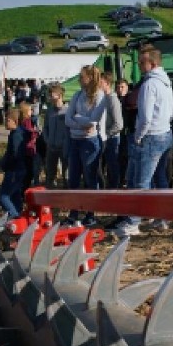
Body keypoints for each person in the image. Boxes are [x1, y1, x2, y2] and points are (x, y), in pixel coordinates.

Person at [113, 44, 173, 237]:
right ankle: (162, 217)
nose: (139, 65)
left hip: (150, 136)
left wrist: (138, 136)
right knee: (160, 179)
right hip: (165, 133)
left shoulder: (149, 85)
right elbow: (171, 113)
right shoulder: (166, 83)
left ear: (152, 63)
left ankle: (133, 222)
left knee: (141, 180)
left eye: (142, 62)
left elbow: (145, 117)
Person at [63, 65, 106, 227]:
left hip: (90, 141)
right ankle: (73, 213)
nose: (80, 80)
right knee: (73, 178)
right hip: (75, 140)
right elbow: (68, 120)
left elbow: (93, 122)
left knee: (90, 178)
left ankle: (91, 213)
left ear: (90, 78)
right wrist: (82, 122)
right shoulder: (77, 95)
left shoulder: (99, 96)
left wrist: (78, 119)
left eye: (82, 77)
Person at [0, 108, 29, 218]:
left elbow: (16, 154)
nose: (5, 123)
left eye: (7, 120)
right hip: (18, 169)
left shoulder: (17, 135)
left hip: (14, 170)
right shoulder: (17, 132)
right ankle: (20, 215)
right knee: (15, 195)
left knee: (4, 197)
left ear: (15, 122)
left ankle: (15, 216)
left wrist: (5, 164)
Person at [100, 71, 124, 189]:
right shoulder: (103, 98)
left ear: (107, 83)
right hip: (104, 137)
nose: (99, 84)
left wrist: (106, 134)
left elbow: (118, 124)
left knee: (112, 166)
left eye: (101, 82)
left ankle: (114, 188)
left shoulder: (113, 100)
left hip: (112, 138)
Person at [43, 83, 69, 189]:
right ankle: (50, 197)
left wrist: (65, 142)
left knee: (66, 175)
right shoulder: (49, 111)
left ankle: (67, 198)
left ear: (59, 95)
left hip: (64, 147)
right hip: (51, 147)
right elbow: (45, 127)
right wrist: (47, 140)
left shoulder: (68, 110)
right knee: (50, 174)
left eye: (51, 94)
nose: (49, 97)